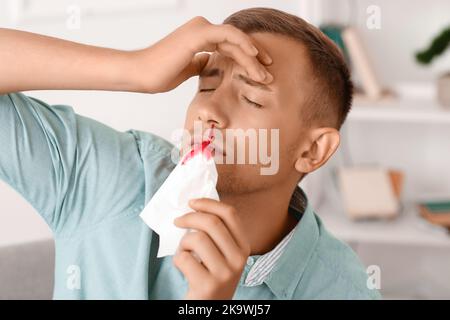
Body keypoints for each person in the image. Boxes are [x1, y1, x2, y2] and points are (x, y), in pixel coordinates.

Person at [0, 7, 381, 299]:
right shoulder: (104, 174)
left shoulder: (345, 289)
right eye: (206, 88)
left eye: (251, 98)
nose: (207, 112)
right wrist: (136, 68)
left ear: (312, 151)